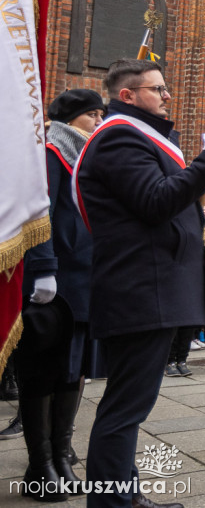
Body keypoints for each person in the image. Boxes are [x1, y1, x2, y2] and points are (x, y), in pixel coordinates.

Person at [75, 59, 205, 508]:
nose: (166, 96)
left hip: (149, 290)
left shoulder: (136, 137)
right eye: (157, 89)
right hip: (141, 291)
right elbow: (156, 201)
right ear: (128, 95)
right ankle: (113, 503)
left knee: (128, 405)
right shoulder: (120, 137)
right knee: (125, 409)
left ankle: (125, 496)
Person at [18, 90, 103, 501]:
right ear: (70, 119)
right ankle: (40, 464)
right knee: (44, 370)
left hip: (86, 280)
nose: (98, 121)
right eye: (92, 114)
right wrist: (43, 268)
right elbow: (40, 215)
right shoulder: (52, 155)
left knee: (74, 370)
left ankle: (61, 454)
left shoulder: (86, 157)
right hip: (57, 280)